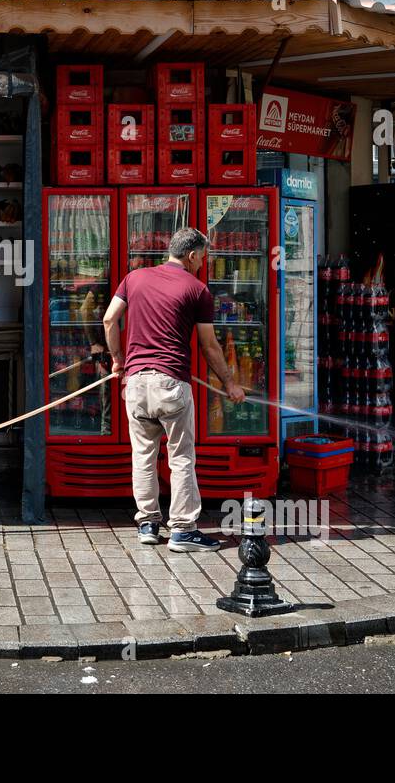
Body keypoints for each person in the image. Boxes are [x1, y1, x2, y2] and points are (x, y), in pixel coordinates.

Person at [102, 227, 246, 553]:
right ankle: (182, 529)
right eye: (202, 258)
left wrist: (118, 360)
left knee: (143, 455)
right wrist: (230, 383)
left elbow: (109, 320)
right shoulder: (197, 290)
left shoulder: (134, 278)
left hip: (135, 383)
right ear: (191, 255)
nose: (202, 264)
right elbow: (209, 346)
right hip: (171, 383)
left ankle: (148, 524)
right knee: (180, 458)